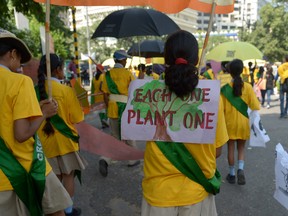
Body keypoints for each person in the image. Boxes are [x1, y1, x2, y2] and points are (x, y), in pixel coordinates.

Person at [141, 30, 229, 216]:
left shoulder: (146, 93)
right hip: (197, 191)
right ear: (196, 59)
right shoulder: (212, 96)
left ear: (165, 59)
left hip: (158, 193)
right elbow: (217, 151)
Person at [0, 28, 72, 216]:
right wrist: (44, 113)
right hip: (25, 167)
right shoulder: (19, 82)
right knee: (57, 212)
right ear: (13, 54)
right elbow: (22, 134)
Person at [37, 53, 87, 216]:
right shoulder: (66, 90)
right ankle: (68, 210)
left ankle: (56, 211)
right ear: (58, 70)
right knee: (68, 176)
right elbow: (77, 117)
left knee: (53, 180)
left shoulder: (34, 90)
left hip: (44, 143)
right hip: (65, 141)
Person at [99, 50, 140, 177]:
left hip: (112, 108)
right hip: (125, 108)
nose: (126, 61)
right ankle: (133, 158)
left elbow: (105, 94)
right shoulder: (127, 74)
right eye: (125, 59)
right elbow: (135, 90)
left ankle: (105, 158)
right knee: (129, 134)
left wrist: (108, 107)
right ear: (121, 60)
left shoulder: (107, 75)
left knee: (115, 137)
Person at [221, 59, 260, 185]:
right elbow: (255, 106)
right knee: (241, 148)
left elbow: (221, 108)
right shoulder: (247, 87)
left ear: (230, 72)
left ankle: (232, 175)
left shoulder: (225, 89)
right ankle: (240, 170)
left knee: (231, 148)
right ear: (242, 70)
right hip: (244, 123)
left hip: (229, 123)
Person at [91, 64, 109, 128]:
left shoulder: (93, 78)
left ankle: (102, 122)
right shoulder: (102, 76)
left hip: (96, 96)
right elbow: (102, 86)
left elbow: (92, 89)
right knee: (105, 109)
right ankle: (104, 120)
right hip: (102, 95)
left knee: (100, 110)